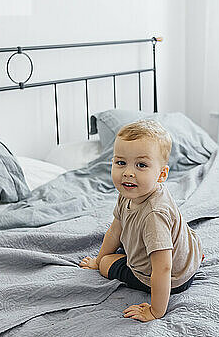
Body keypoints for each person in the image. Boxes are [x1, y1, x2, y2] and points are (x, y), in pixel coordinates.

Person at [79, 119, 204, 322]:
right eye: (121, 162)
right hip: (189, 254)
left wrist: (155, 311)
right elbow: (115, 230)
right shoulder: (130, 191)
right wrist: (97, 258)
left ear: (162, 174)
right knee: (107, 255)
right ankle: (191, 256)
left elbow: (163, 268)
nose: (128, 172)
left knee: (107, 263)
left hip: (172, 279)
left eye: (141, 165)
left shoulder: (154, 215)